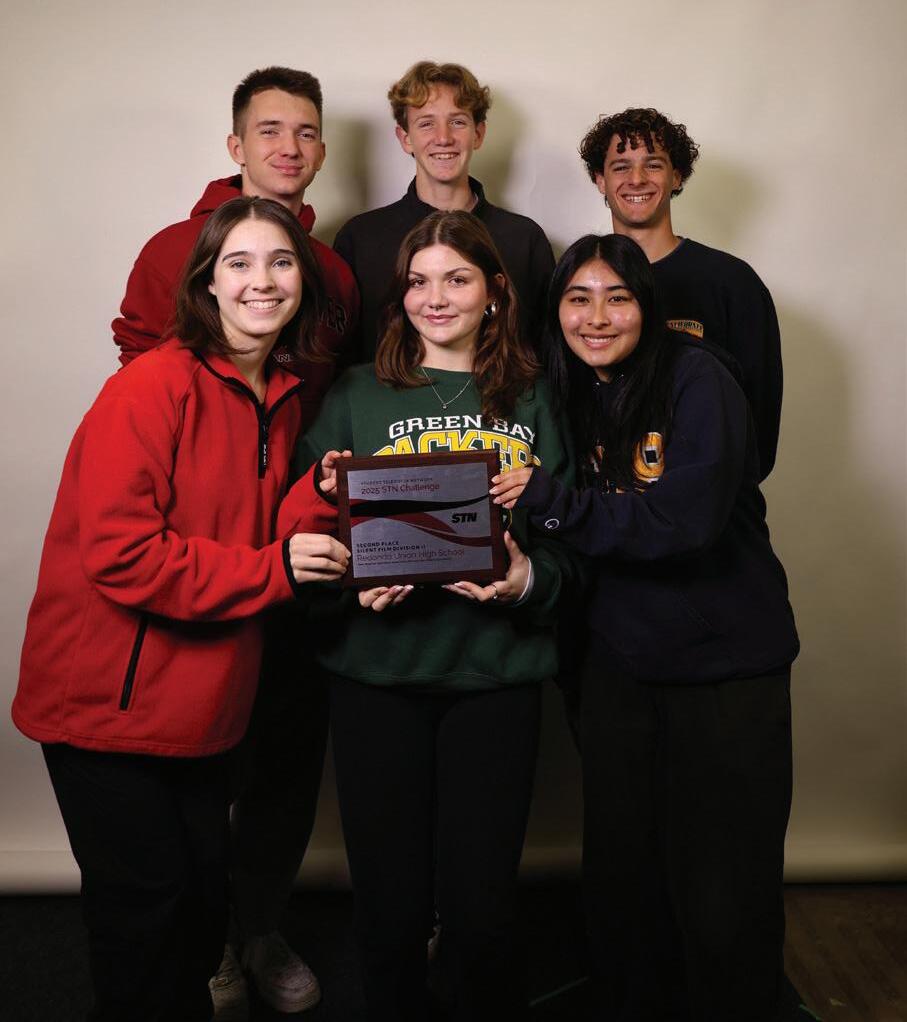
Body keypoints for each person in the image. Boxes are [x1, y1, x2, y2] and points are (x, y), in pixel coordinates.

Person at [11, 197, 350, 1022]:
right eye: (239, 262)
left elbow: (254, 531)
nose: (262, 280)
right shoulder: (150, 386)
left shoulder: (278, 394)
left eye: (281, 262)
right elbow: (124, 555)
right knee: (146, 928)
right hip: (109, 709)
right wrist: (275, 566)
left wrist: (316, 492)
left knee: (200, 914)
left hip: (206, 707)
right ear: (205, 284)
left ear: (303, 284)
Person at [490, 233, 803, 1021]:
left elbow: (683, 522)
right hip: (617, 663)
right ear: (554, 311)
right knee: (623, 871)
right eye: (577, 299)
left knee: (724, 881)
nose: (596, 318)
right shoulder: (562, 390)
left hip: (724, 663)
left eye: (617, 298)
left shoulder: (700, 379)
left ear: (647, 306)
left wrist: (551, 502)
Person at [277, 210, 575, 1021]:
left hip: (495, 677)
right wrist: (349, 585)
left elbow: (576, 548)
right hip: (377, 675)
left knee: (482, 905)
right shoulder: (353, 394)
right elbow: (298, 532)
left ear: (495, 291)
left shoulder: (535, 397)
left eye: (456, 278)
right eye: (417, 281)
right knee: (388, 900)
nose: (434, 298)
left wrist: (527, 582)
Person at [113, 66, 359, 1016]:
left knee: (285, 753)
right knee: (202, 756)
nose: (288, 148)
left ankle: (259, 926)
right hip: (204, 554)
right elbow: (147, 390)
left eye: (305, 132)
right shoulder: (171, 248)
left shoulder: (331, 269)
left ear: (321, 149)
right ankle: (207, 938)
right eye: (268, 131)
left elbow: (332, 405)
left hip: (301, 543)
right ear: (235, 146)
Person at [579, 107, 782, 479]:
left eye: (653, 165)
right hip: (604, 503)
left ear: (677, 176)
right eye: (621, 167)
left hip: (705, 502)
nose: (636, 179)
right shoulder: (577, 286)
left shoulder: (733, 283)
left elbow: (759, 426)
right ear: (600, 180)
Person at [334, 60, 554, 360]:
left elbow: (545, 351)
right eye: (426, 123)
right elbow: (342, 355)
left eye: (457, 122)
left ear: (478, 134)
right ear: (405, 138)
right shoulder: (360, 238)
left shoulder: (524, 239)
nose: (443, 138)